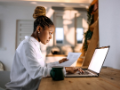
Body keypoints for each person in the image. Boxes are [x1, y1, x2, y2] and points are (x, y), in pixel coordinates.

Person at [6, 6, 83, 90]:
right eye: (50, 33)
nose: (50, 37)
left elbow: (41, 67)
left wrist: (58, 63)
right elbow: (36, 72)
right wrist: (65, 69)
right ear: (39, 29)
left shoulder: (33, 44)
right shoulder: (27, 45)